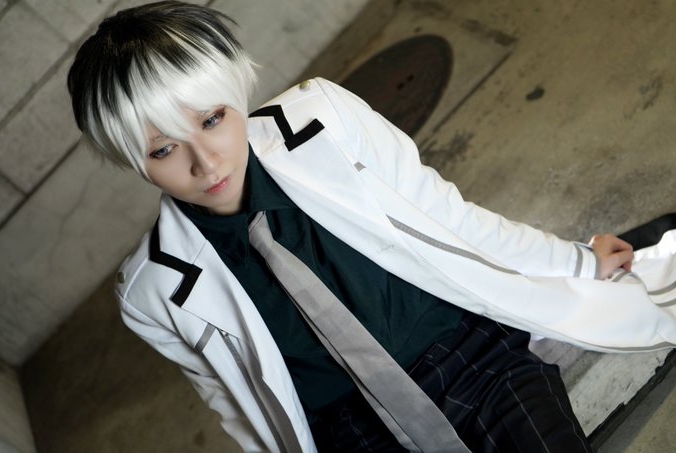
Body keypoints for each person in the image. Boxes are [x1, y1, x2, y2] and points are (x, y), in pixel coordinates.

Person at [67, 2, 676, 452]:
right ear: (132, 161)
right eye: (163, 150)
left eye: (212, 119)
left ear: (234, 91)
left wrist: (575, 260)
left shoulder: (323, 118)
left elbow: (450, 217)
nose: (206, 163)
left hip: (472, 356)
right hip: (354, 432)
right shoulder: (151, 291)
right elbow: (241, 407)